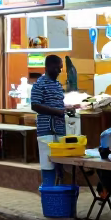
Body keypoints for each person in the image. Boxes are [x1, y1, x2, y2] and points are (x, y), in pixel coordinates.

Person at [33, 54, 76, 187]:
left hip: (59, 130)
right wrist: (57, 112)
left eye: (61, 68)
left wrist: (67, 108)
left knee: (60, 166)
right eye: (57, 68)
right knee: (48, 167)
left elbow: (57, 104)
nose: (59, 71)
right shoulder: (39, 84)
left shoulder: (57, 85)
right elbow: (35, 105)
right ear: (48, 67)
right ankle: (49, 194)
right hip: (46, 133)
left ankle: (60, 194)